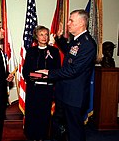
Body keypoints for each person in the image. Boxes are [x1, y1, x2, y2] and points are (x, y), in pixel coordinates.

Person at [37, 9, 97, 141]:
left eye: (71, 21)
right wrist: (58, 38)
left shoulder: (88, 44)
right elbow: (70, 51)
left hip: (75, 97)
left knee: (74, 131)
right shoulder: (77, 40)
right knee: (59, 127)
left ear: (81, 23)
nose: (68, 23)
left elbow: (74, 70)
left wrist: (50, 73)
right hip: (64, 94)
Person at [22, 25, 61, 141]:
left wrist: (43, 76)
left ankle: (42, 137)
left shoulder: (54, 51)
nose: (44, 37)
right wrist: (42, 76)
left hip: (47, 90)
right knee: (32, 115)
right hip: (33, 90)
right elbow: (26, 72)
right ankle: (32, 137)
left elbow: (57, 71)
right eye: (41, 34)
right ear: (36, 37)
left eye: (46, 34)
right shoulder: (31, 51)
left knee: (44, 116)